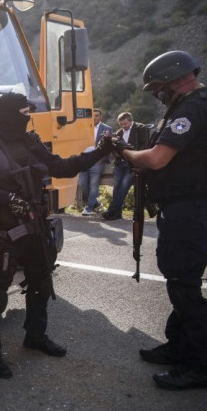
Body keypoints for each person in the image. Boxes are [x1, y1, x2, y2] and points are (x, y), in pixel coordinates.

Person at [0, 92, 112, 378]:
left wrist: (101, 151)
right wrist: (7, 199)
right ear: (9, 115)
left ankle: (35, 337)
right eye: (24, 112)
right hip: (2, 232)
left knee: (40, 283)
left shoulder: (31, 143)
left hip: (35, 227)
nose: (28, 117)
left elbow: (62, 167)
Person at [111, 50, 207, 390]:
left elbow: (156, 158)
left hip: (190, 209)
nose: (157, 94)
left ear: (174, 79)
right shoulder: (183, 108)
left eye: (157, 87)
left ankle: (198, 363)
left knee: (183, 284)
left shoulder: (193, 108)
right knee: (180, 280)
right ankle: (178, 346)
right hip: (181, 207)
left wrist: (122, 152)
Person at [101, 112, 151, 220]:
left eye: (125, 123)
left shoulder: (140, 128)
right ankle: (116, 213)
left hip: (133, 162)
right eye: (121, 124)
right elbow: (113, 149)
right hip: (120, 163)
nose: (124, 126)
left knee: (124, 186)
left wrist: (132, 152)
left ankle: (111, 211)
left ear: (130, 121)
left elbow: (145, 145)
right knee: (117, 188)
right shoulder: (118, 132)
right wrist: (120, 152)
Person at [78, 109, 111, 216]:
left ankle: (89, 207)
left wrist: (103, 159)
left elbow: (109, 146)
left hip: (97, 161)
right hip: (84, 160)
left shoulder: (107, 128)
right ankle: (95, 203)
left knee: (93, 184)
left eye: (96, 115)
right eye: (92, 116)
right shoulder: (84, 128)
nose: (94, 117)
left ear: (100, 117)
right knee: (82, 183)